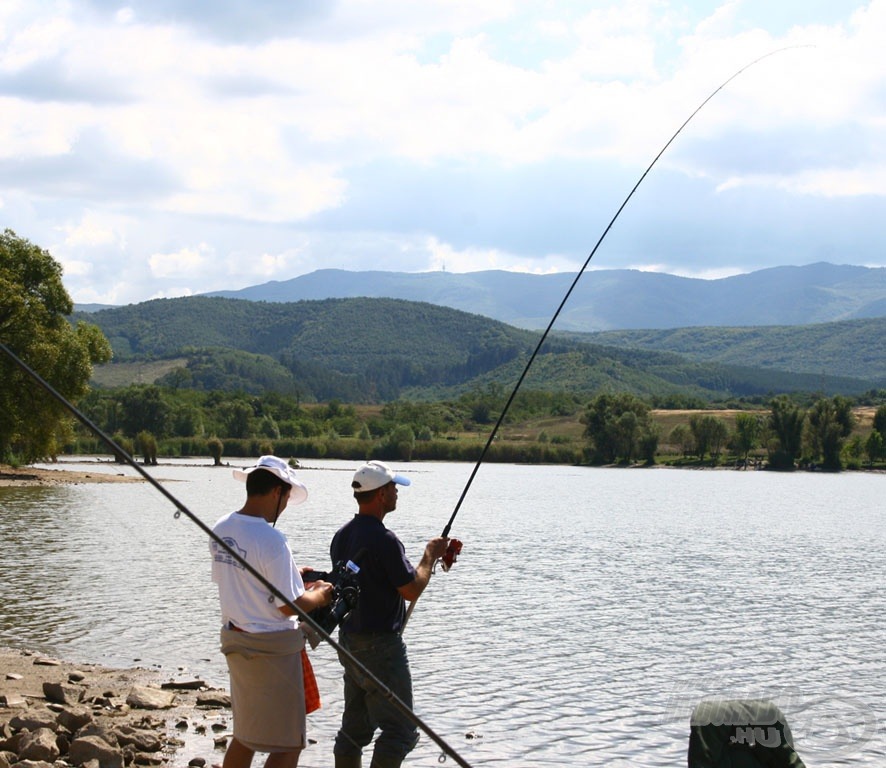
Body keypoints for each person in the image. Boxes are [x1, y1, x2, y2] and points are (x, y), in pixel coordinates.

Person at [210, 455, 334, 768]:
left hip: (236, 640)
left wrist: (292, 572)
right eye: (287, 496)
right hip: (273, 650)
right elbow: (288, 606)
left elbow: (244, 578)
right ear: (277, 491)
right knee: (289, 743)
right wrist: (319, 595)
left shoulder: (221, 528)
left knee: (246, 735)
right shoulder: (273, 539)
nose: (286, 504)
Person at [330, 460, 449, 768]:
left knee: (354, 731)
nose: (397, 492)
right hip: (381, 647)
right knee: (401, 731)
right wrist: (430, 555)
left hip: (349, 641)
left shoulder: (342, 535)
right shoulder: (385, 539)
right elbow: (411, 589)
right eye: (394, 487)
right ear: (381, 494)